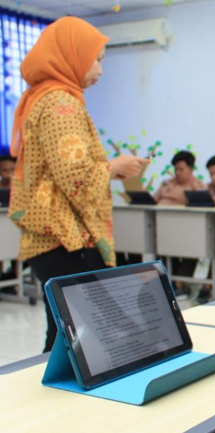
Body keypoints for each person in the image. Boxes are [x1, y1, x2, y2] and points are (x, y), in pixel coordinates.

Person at [7, 17, 146, 352]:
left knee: (65, 335)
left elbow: (59, 171)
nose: (100, 70)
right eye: (96, 59)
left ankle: (50, 383)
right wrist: (113, 166)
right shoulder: (61, 104)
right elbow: (76, 178)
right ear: (73, 55)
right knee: (96, 334)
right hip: (66, 237)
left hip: (52, 237)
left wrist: (109, 170)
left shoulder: (44, 97)